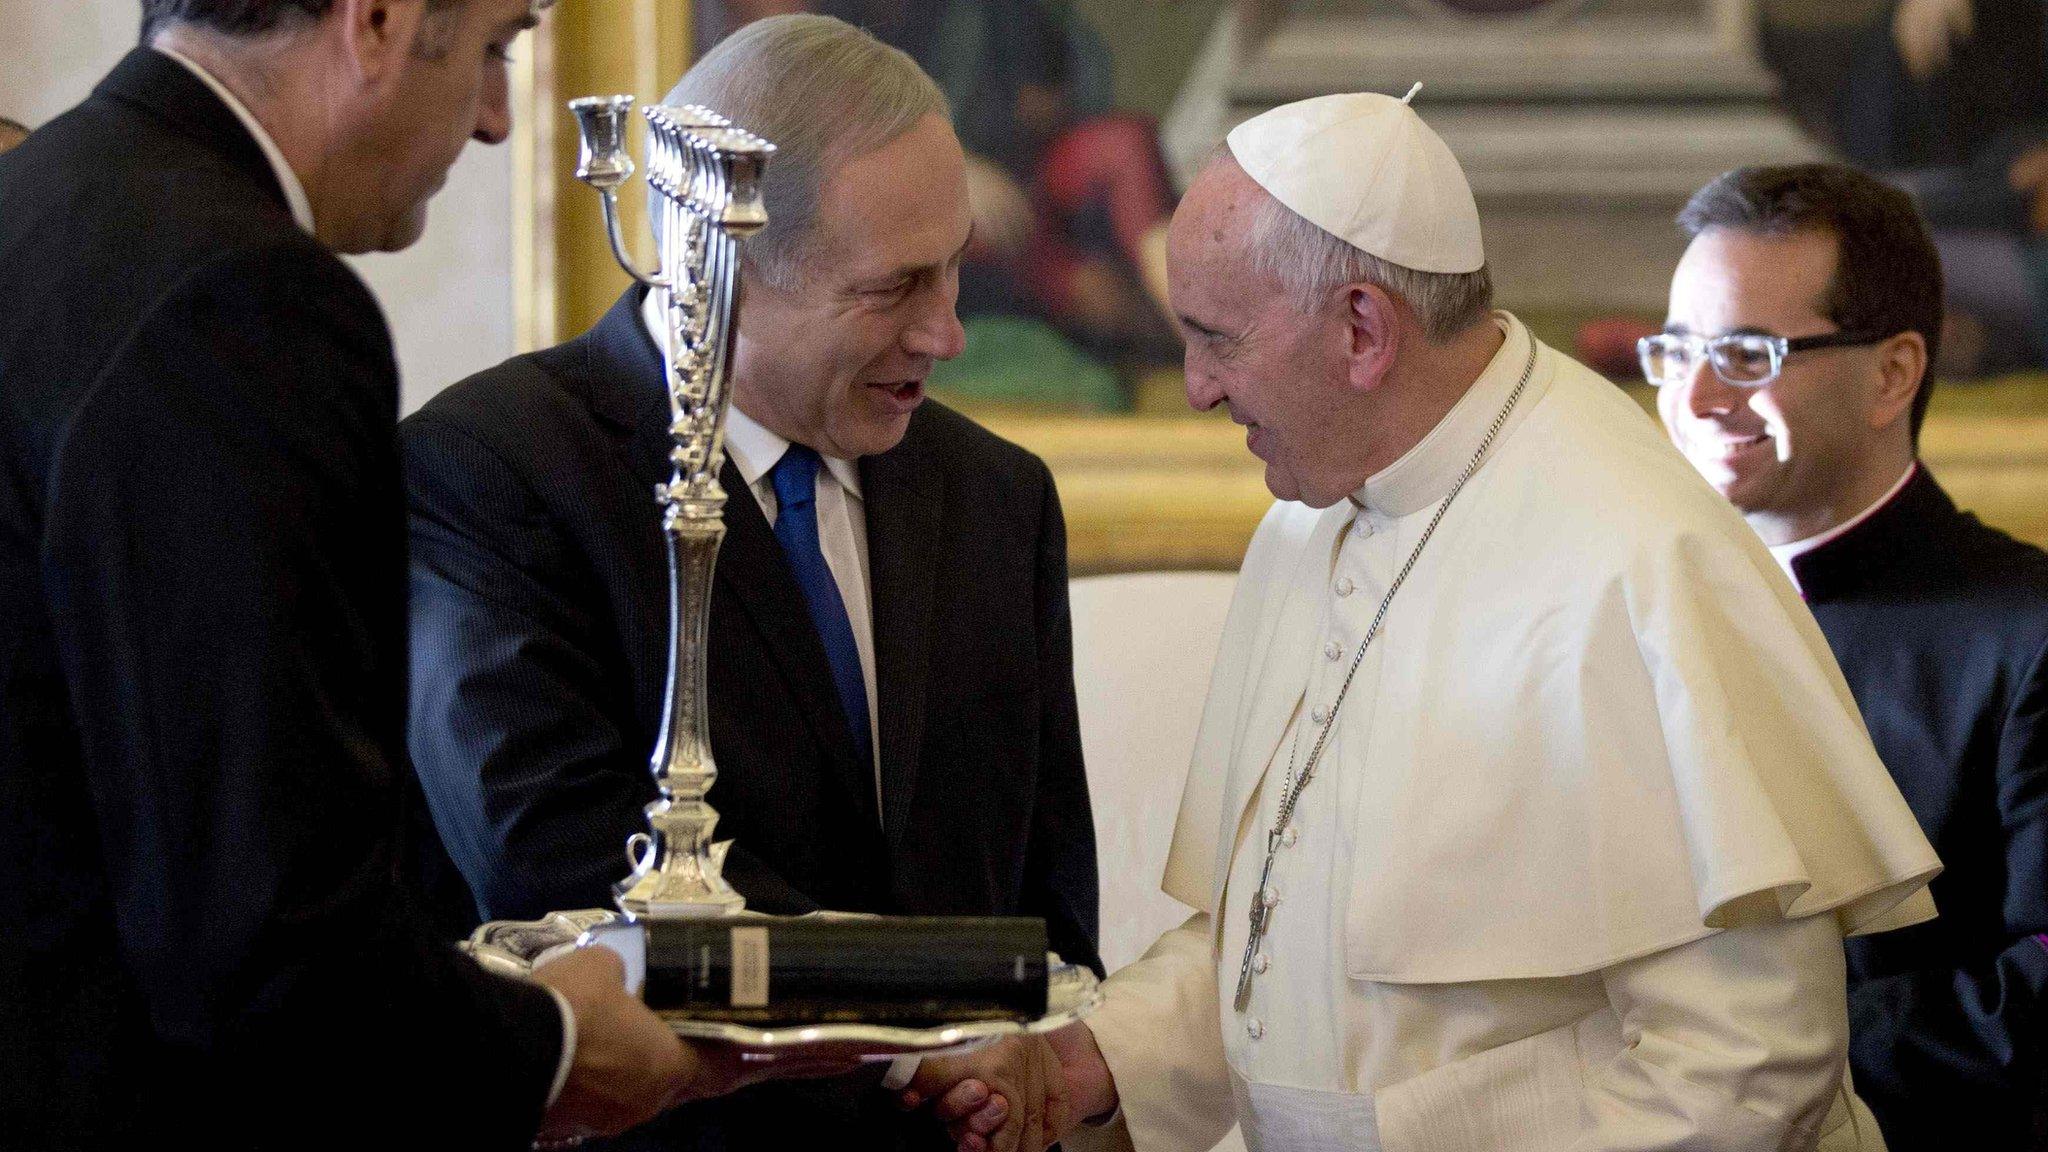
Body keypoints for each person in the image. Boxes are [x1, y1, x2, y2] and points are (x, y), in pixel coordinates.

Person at [911, 91, 1943, 1152]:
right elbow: (1274, 936)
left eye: (1216, 341)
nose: (1195, 390)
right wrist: (1088, 1060)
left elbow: (1745, 1067)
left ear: (1361, 328)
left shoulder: (1634, 558)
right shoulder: (1308, 525)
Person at [0, 1, 818, 1146]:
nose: (493, 120)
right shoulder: (243, 301)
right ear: (376, 21)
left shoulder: (40, 208)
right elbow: (261, 938)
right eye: (493, 47)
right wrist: (559, 1047)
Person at [402, 13, 1101, 1149]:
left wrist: (1020, 1051)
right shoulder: (492, 474)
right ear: (718, 261)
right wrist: (922, 1033)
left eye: (958, 268)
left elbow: (1048, 908)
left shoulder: (996, 499)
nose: (949, 332)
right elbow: (564, 871)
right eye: (895, 288)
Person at [1652, 162, 2048, 1151]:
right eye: (1676, 351)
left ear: (1890, 374)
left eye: (1745, 353)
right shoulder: (1637, 609)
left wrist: (1753, 1053)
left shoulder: (2027, 637)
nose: (1695, 396)